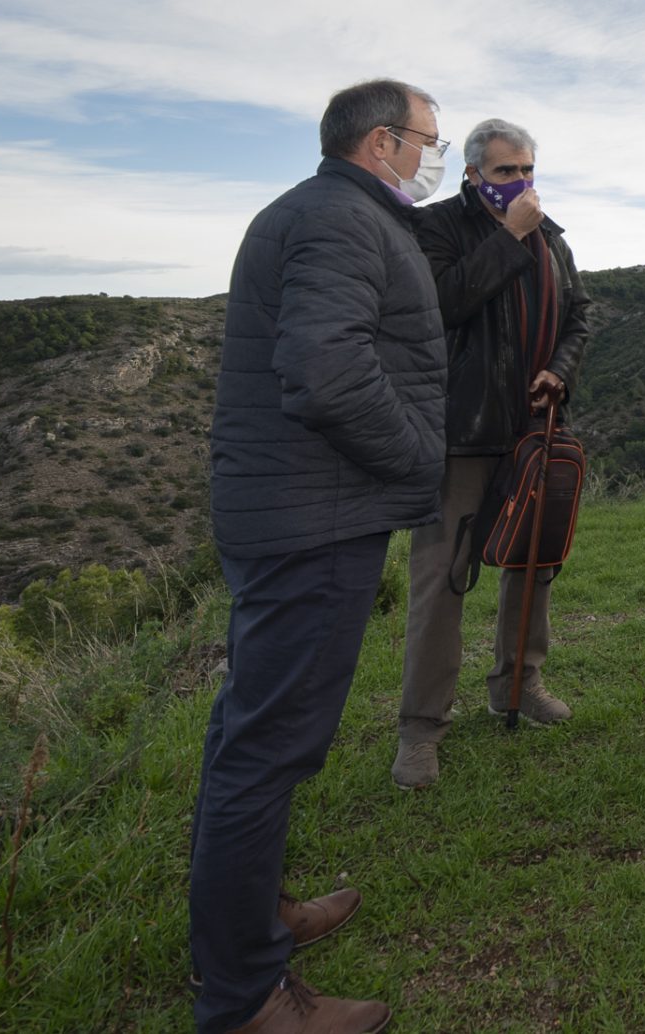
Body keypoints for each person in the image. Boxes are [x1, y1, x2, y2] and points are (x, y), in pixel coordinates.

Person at [191, 79, 449, 1034]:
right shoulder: (344, 221)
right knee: (266, 753)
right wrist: (423, 456)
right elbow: (328, 373)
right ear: (383, 142)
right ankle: (247, 996)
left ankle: (256, 920)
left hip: (298, 512)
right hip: (313, 523)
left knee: (249, 742)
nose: (433, 154)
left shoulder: (323, 211)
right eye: (429, 137)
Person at [393, 117, 592, 785]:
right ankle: (421, 728)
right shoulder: (435, 229)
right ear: (474, 174)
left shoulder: (551, 235)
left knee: (533, 564)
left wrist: (561, 368)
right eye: (506, 171)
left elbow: (580, 314)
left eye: (528, 169)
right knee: (442, 580)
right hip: (460, 432)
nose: (520, 182)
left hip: (533, 428)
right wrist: (508, 237)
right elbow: (440, 306)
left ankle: (518, 685)